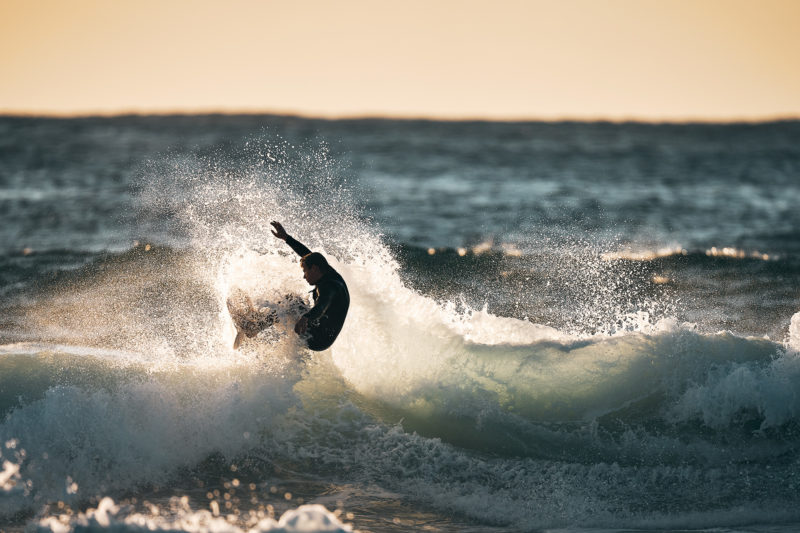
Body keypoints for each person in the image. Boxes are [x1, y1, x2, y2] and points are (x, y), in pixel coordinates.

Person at [270, 221, 350, 351]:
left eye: (305, 271)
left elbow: (322, 305)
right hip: (319, 329)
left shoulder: (329, 286)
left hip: (318, 339)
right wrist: (286, 238)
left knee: (290, 301)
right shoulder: (327, 272)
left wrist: (306, 317)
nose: (304, 276)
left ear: (314, 269)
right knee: (293, 303)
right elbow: (306, 254)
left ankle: (254, 327)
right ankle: (259, 327)